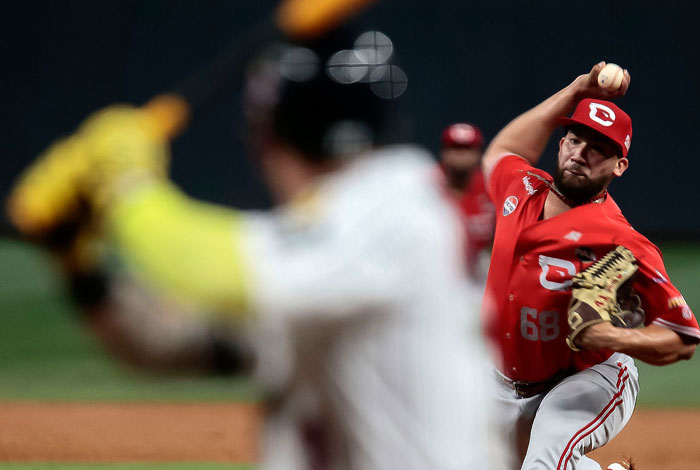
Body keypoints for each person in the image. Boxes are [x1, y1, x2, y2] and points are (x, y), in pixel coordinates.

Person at [7, 31, 495, 470]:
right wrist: (77, 262)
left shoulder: (395, 208)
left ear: (269, 136)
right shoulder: (317, 257)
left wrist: (125, 185)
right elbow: (163, 344)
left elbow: (207, 268)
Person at [480, 61, 699, 470]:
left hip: (585, 380)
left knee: (544, 464)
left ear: (619, 166)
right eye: (575, 139)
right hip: (499, 380)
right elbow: (502, 151)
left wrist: (611, 335)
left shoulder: (620, 240)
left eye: (599, 148)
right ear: (560, 144)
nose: (582, 153)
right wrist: (576, 89)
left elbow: (683, 336)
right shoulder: (521, 185)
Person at [440, 122, 495, 281]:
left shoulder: (491, 188)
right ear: (444, 151)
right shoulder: (427, 186)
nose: (461, 155)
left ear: (479, 153)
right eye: (455, 148)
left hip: (477, 276)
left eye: (467, 148)